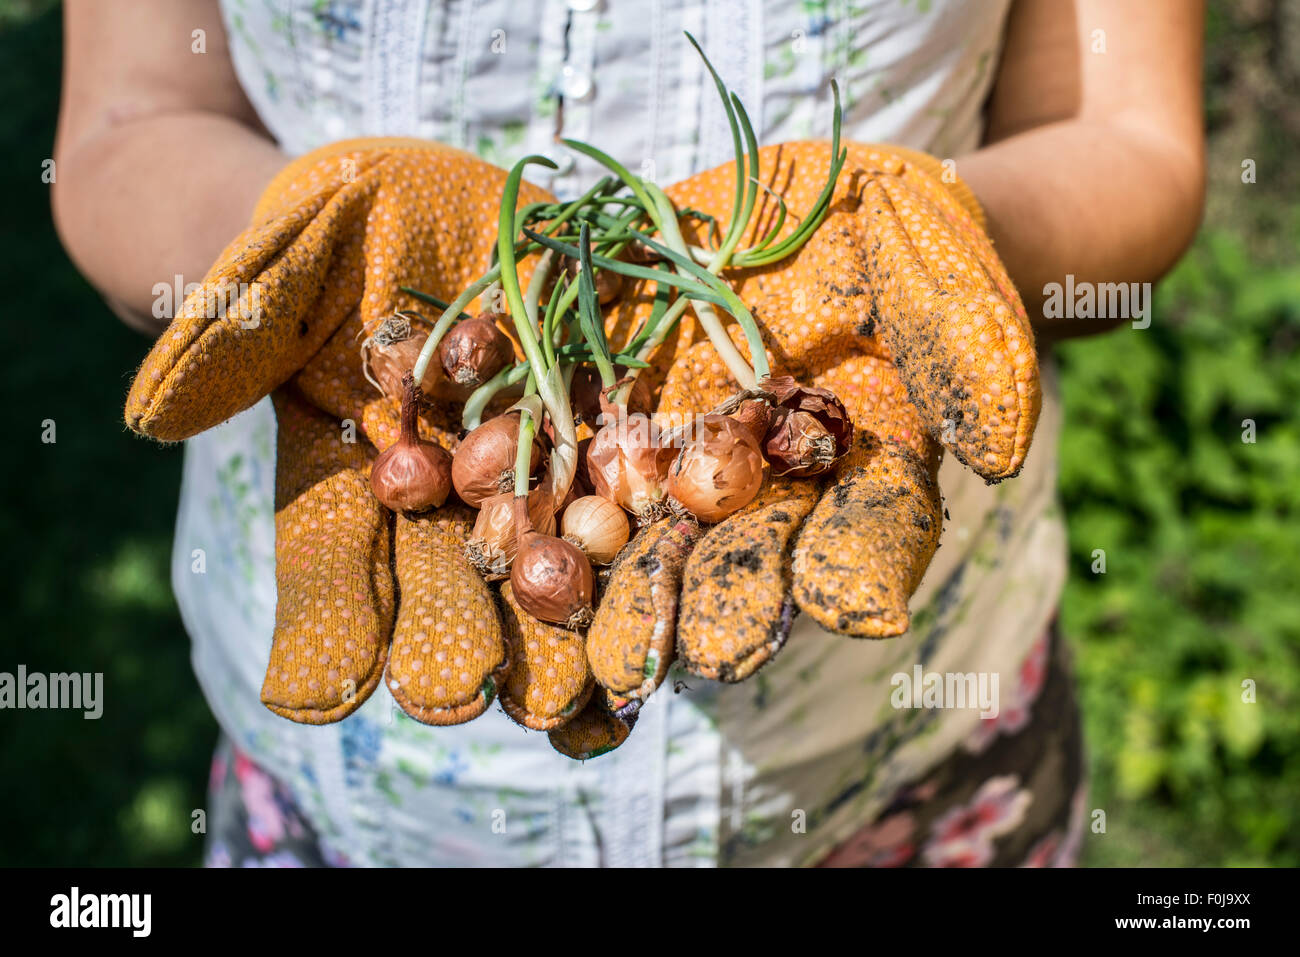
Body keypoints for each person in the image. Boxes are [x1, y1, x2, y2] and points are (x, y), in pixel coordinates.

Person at [53, 0, 1205, 867]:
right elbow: (130, 123)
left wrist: (905, 251)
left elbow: (1128, 143)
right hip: (359, 803)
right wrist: (315, 258)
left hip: (905, 757)